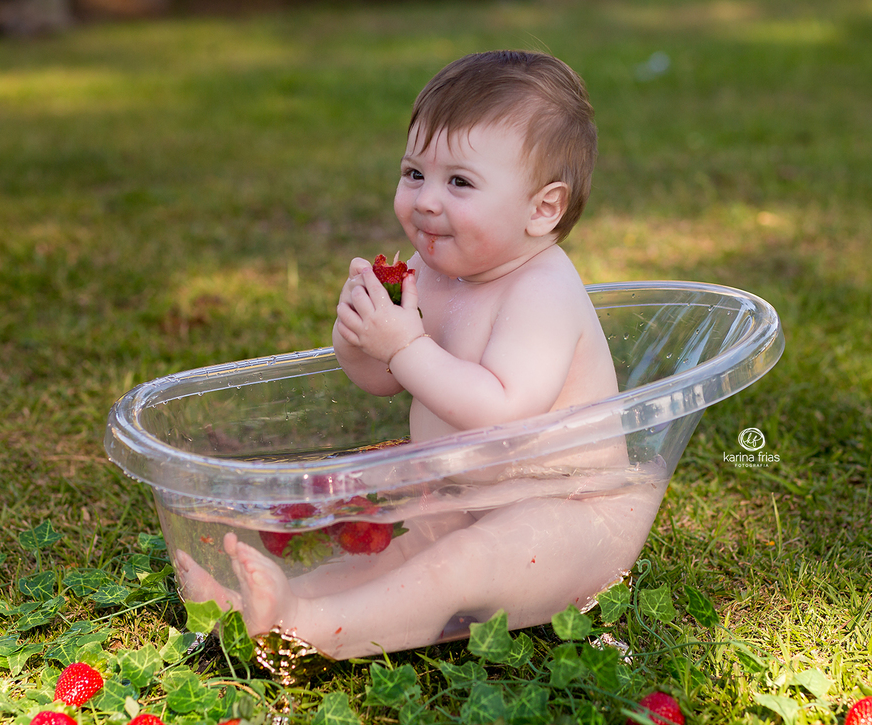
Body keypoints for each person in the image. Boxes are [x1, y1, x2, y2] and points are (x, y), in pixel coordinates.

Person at [175, 50, 663, 659]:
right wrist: (360, 337)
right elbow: (383, 379)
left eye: (459, 182)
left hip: (571, 511)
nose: (426, 200)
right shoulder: (432, 272)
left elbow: (503, 410)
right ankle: (261, 601)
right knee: (401, 552)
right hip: (469, 497)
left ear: (543, 209)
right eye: (414, 174)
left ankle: (307, 626)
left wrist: (403, 344)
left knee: (457, 563)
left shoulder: (544, 290)